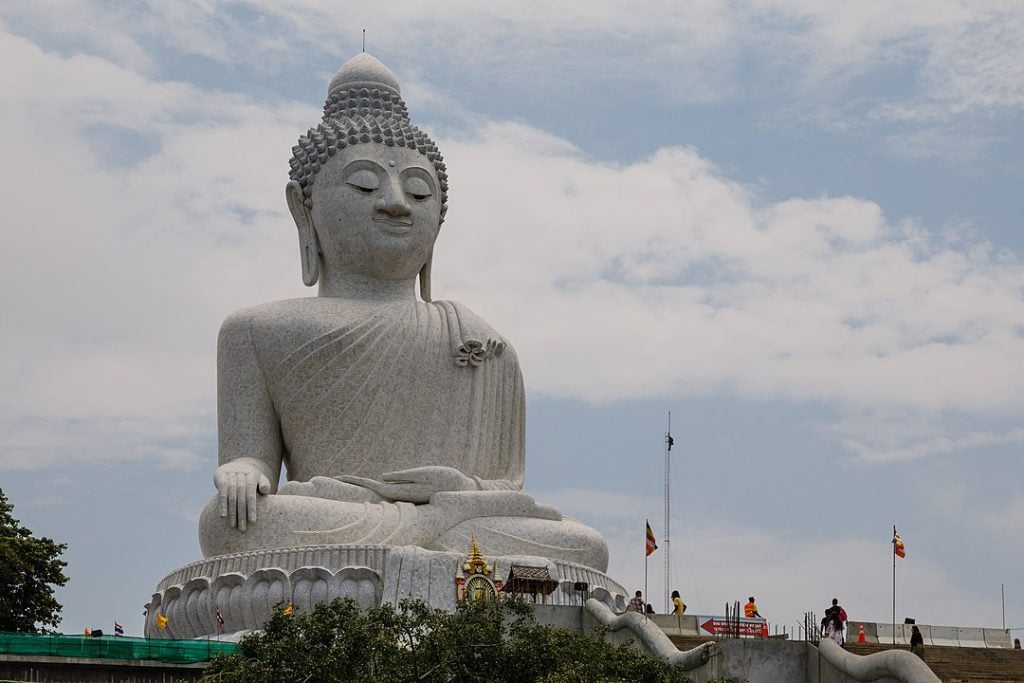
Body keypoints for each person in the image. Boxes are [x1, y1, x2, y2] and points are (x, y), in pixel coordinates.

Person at [195, 52, 609, 572]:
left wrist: (454, 491)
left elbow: (504, 487)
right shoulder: (256, 330)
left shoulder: (478, 340)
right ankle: (421, 549)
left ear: (440, 217)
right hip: (334, 515)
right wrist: (242, 469)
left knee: (585, 545)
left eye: (418, 191)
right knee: (227, 522)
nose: (396, 203)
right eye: (365, 185)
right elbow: (253, 458)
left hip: (462, 521)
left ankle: (413, 547)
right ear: (303, 208)